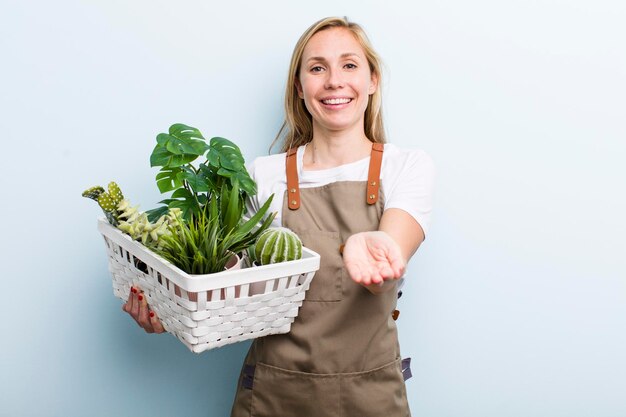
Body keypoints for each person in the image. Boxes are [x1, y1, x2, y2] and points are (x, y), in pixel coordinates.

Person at [123, 16, 434, 417]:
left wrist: (375, 251)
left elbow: (392, 253)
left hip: (370, 394)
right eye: (317, 67)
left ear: (372, 80)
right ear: (300, 87)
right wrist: (175, 310)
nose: (334, 80)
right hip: (273, 393)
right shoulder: (263, 175)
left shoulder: (406, 167)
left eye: (350, 65)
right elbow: (238, 292)